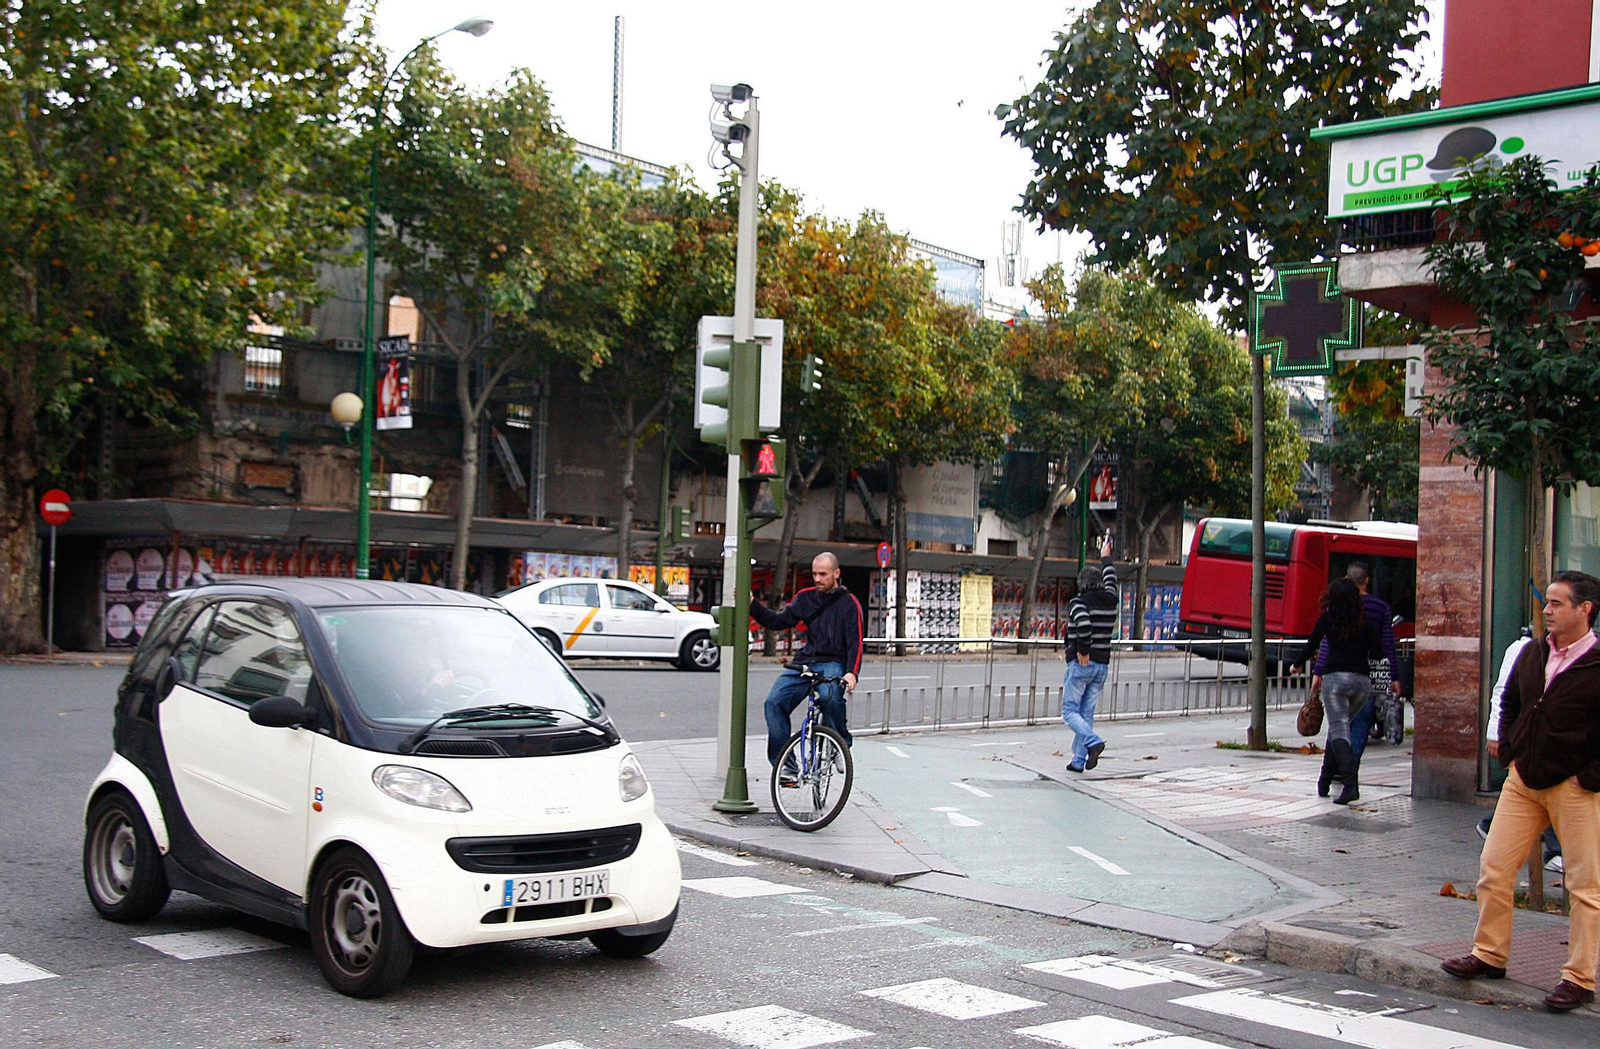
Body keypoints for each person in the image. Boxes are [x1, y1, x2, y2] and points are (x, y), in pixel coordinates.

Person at [1443, 571, 1600, 1013]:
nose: (1546, 611)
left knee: (1585, 885)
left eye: (1556, 603)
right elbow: (1510, 699)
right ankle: (1489, 954)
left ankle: (1579, 978)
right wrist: (1510, 751)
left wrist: (1588, 777)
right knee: (1494, 868)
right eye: (1546, 602)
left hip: (1575, 786)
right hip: (1524, 780)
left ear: (1584, 609)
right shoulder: (1533, 652)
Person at [750, 552, 863, 785]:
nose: (818, 578)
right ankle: (786, 766)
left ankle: (839, 744)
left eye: (823, 574)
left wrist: (851, 671)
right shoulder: (805, 598)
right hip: (805, 661)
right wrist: (752, 604)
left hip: (834, 662)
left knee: (830, 697)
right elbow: (777, 621)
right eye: (814, 574)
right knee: (774, 702)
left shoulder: (849, 603)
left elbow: (856, 642)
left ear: (836, 574)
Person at [1290, 577, 1384, 805]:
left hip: (1335, 681)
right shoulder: (1366, 622)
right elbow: (1379, 652)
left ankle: (1351, 786)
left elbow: (1312, 644)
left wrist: (1297, 664)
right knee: (1338, 726)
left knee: (1339, 728)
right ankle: (1324, 781)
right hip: (1362, 683)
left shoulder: (1328, 619)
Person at [1476, 628, 1562, 871]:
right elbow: (1503, 693)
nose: (1549, 611)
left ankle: (1490, 825)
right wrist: (1496, 736)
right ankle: (1554, 851)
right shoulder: (1524, 649)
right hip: (1528, 749)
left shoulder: (1579, 654)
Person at [1311, 561, 1401, 774]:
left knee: (1338, 722)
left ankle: (1333, 767)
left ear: (1346, 579)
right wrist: (1394, 677)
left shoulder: (1335, 608)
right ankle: (1350, 767)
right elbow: (1387, 645)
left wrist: (1318, 672)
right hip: (1367, 673)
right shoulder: (1380, 608)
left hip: (1336, 673)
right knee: (1362, 720)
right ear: (1367, 580)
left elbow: (1325, 643)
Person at [1062, 533, 1117, 773]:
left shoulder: (1079, 602)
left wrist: (1082, 650)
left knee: (1069, 711)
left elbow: (1083, 625)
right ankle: (1078, 760)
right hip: (1102, 665)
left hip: (1082, 663)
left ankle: (1094, 742)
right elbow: (1111, 579)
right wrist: (1106, 558)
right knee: (1087, 712)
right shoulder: (1111, 599)